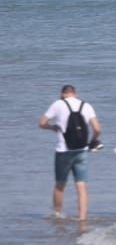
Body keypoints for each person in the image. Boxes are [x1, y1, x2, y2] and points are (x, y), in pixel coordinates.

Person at [38, 84, 102, 221]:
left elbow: (42, 122)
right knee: (81, 185)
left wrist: (52, 127)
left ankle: (57, 216)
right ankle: (82, 218)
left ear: (62, 94)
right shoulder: (86, 105)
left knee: (60, 184)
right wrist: (93, 141)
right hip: (82, 150)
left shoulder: (58, 104)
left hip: (63, 150)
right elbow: (97, 129)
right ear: (75, 94)